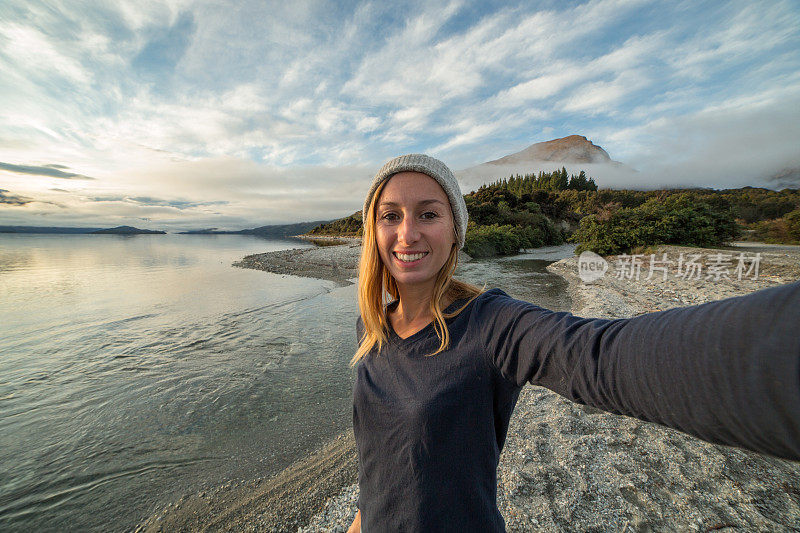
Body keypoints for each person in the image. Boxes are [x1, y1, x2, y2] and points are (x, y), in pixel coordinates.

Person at [346, 154, 800, 533]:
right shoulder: (377, 332)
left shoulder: (489, 323)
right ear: (374, 230)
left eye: (428, 213)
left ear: (455, 233)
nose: (407, 233)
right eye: (391, 215)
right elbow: (381, 469)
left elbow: (596, 356)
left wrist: (774, 359)